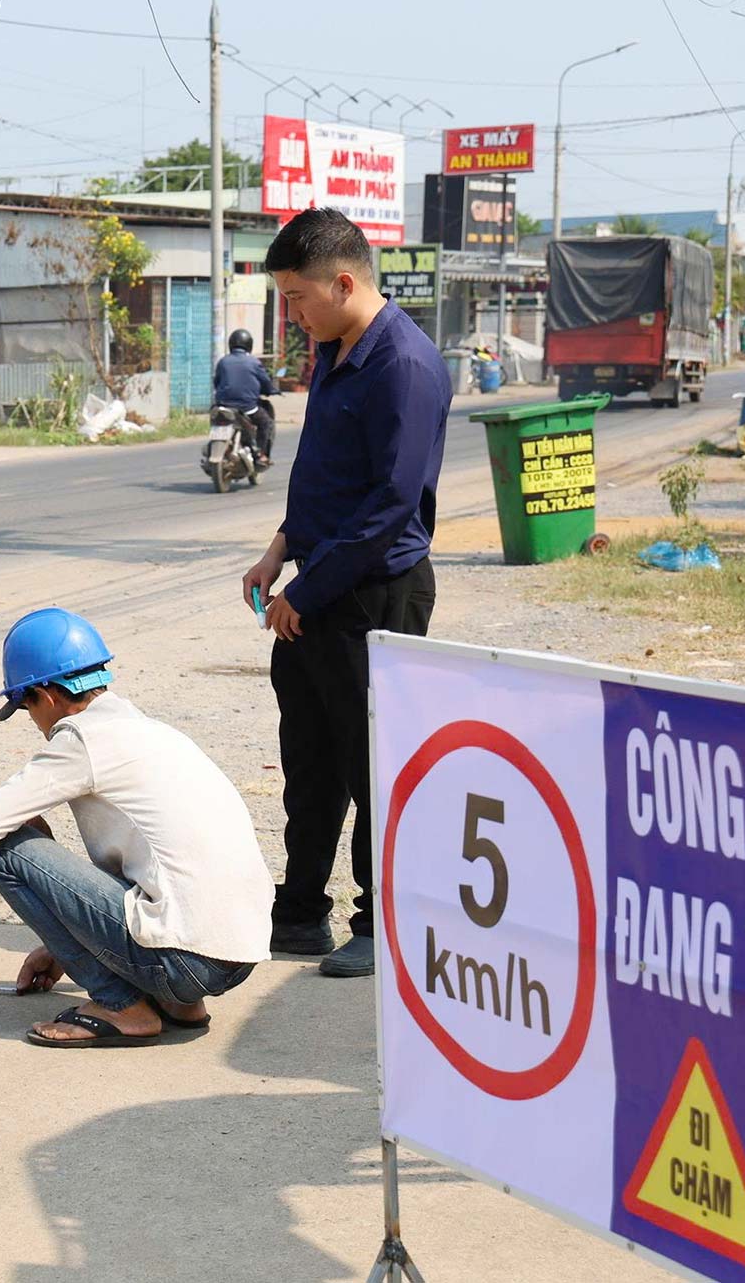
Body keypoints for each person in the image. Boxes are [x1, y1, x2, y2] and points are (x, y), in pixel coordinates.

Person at [241, 208, 451, 979]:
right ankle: (300, 912)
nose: (291, 315)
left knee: (376, 767)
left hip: (375, 595)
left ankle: (381, 920)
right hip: (316, 586)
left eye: (297, 298)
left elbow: (390, 503)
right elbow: (322, 478)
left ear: (344, 281)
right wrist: (280, 549)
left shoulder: (405, 364)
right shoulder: (334, 351)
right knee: (310, 759)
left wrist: (311, 587)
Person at [0, 608, 274, 1047]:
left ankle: (120, 1005)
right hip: (237, 956)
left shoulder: (83, 739)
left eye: (26, 707)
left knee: (8, 849)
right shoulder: (152, 732)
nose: (34, 722)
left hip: (183, 960)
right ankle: (179, 1004)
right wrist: (63, 950)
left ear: (45, 697)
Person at [213, 327, 278, 466]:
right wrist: (273, 390)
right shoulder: (254, 362)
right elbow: (265, 382)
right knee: (266, 423)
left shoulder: (223, 361)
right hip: (247, 407)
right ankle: (261, 455)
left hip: (222, 405)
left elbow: (216, 382)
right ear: (249, 345)